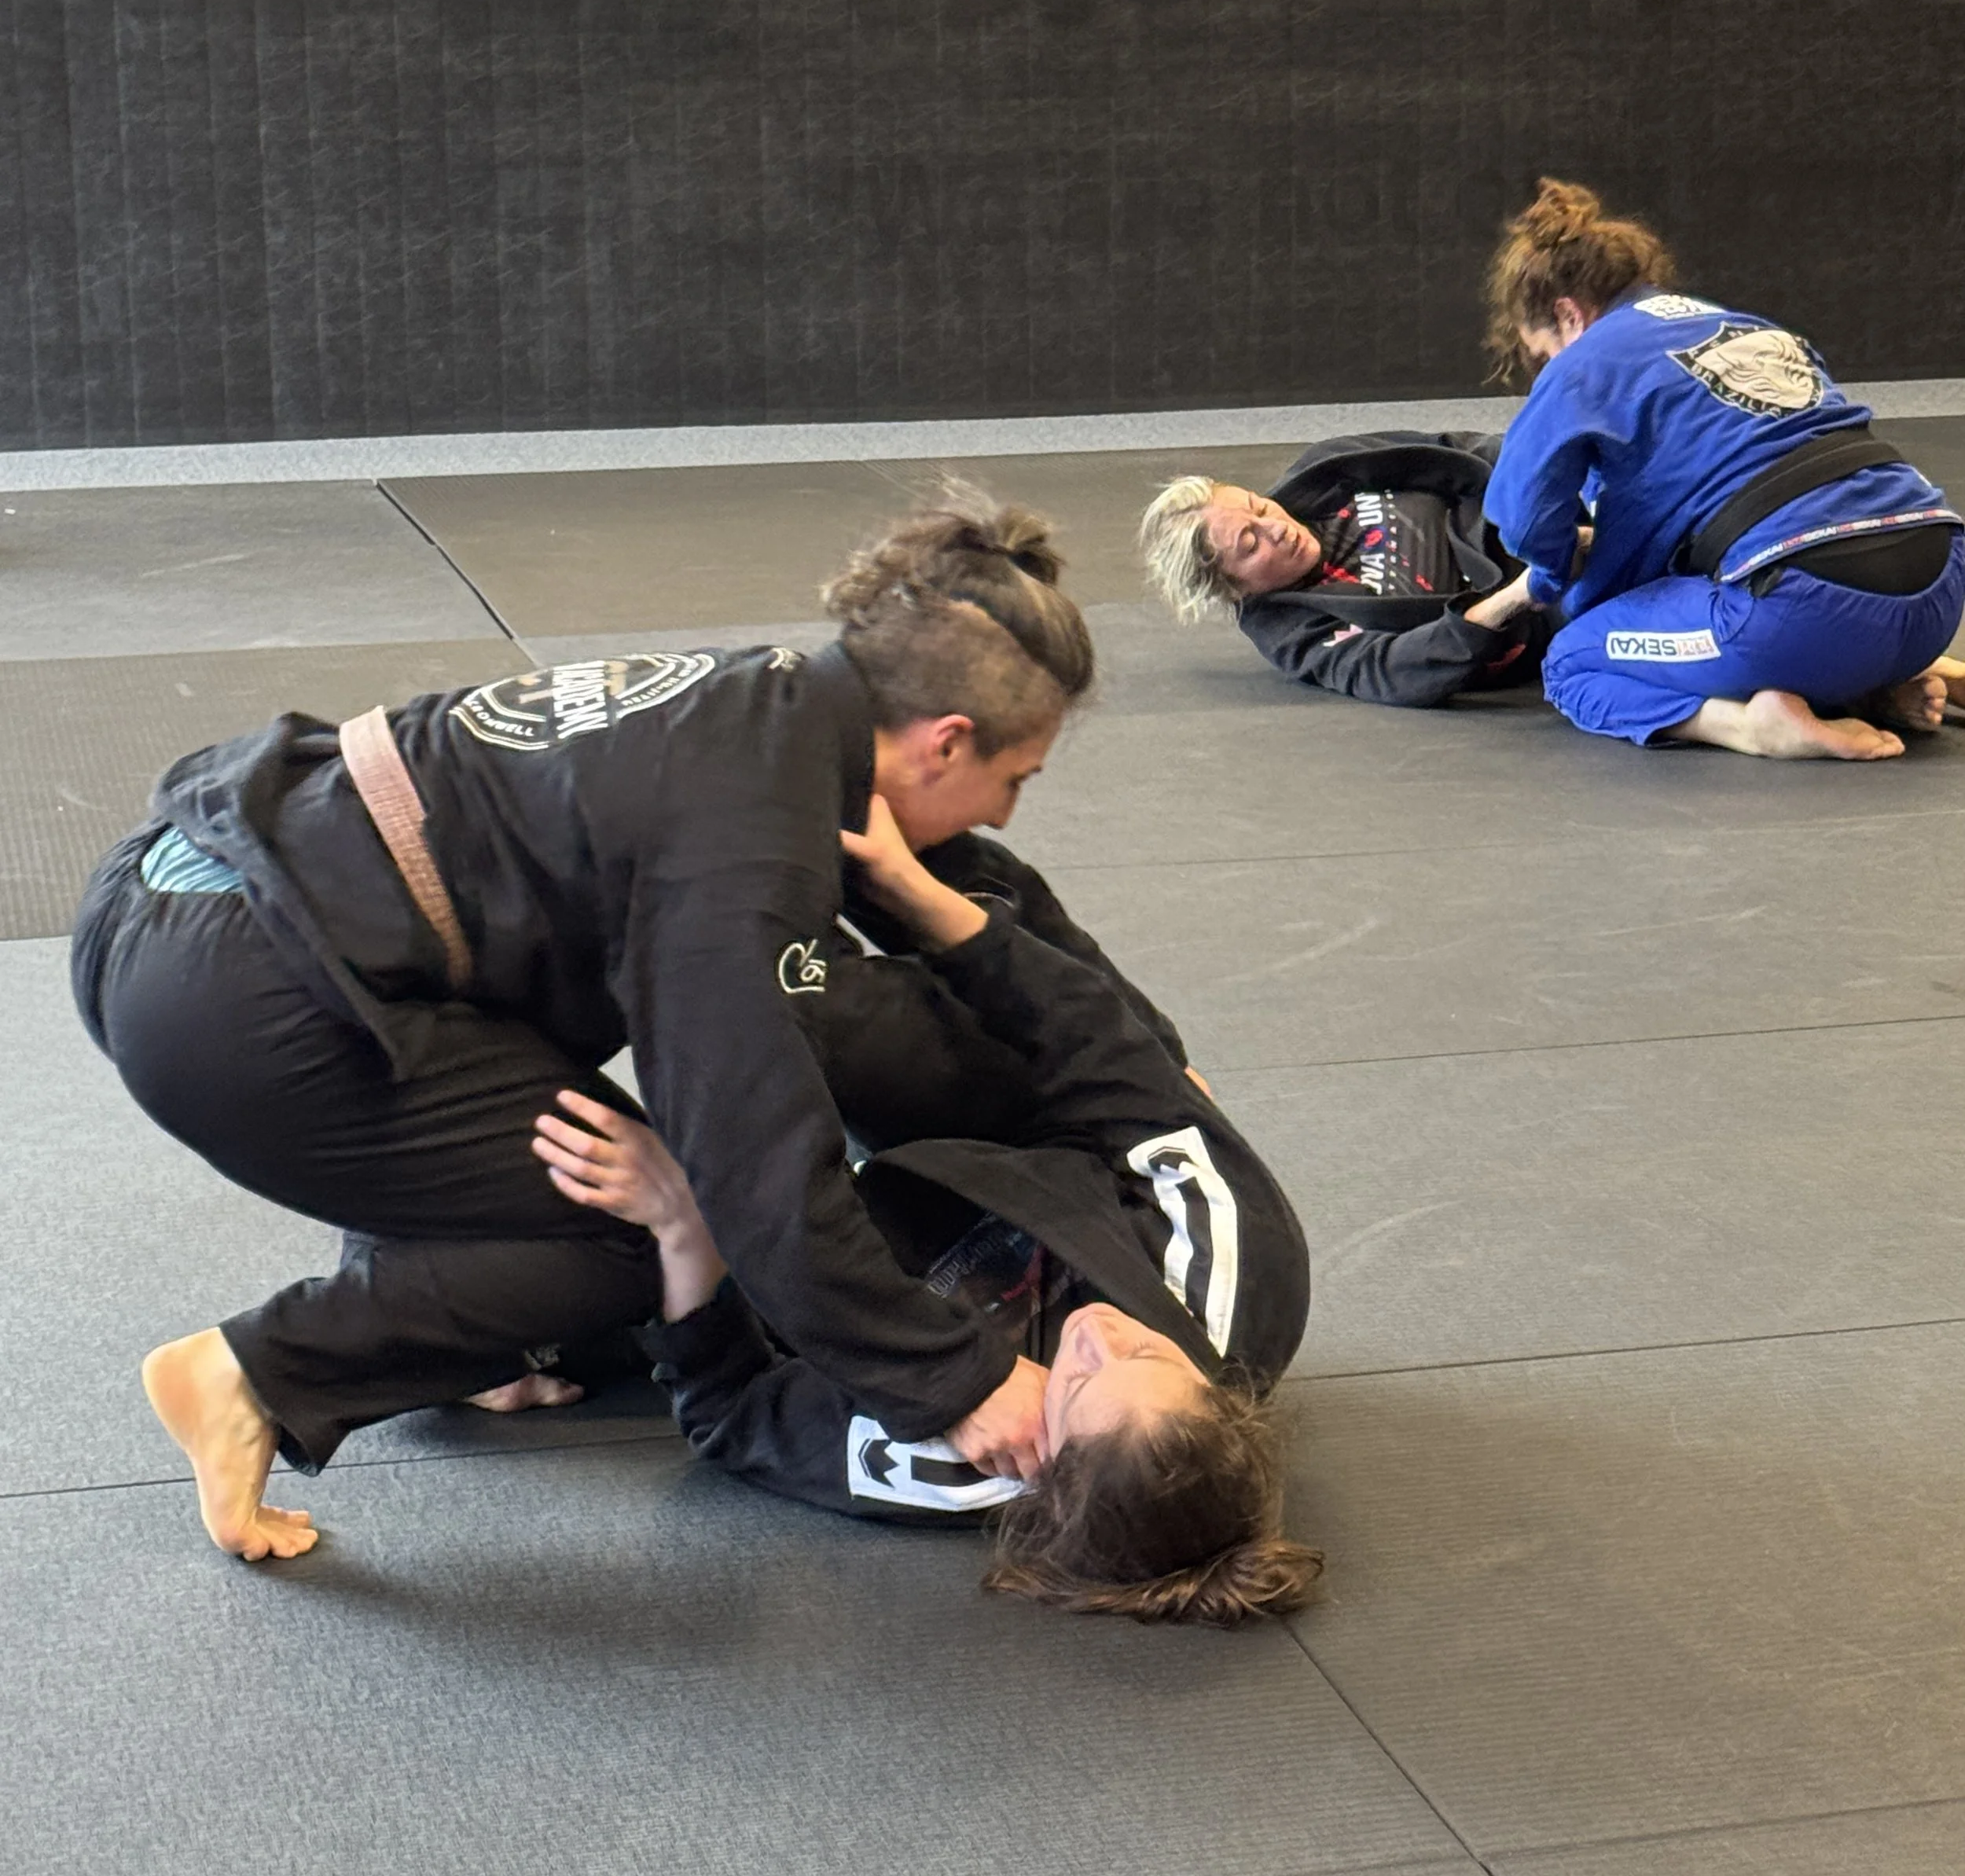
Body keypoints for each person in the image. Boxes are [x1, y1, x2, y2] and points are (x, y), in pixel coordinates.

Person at [74, 499, 1123, 1562]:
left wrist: (1147, 1059)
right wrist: (951, 1376)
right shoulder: (747, 851)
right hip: (241, 1006)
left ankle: (443, 1330)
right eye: (1014, 780)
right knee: (647, 1220)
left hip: (195, 884)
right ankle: (254, 1370)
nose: (1004, 815)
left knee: (597, 1141)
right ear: (946, 741)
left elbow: (983, 889)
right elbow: (757, 1161)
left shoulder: (773, 701)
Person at [526, 795, 1321, 1627]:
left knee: (521, 1287)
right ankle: (835, 854)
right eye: (1148, 1358)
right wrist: (926, 901)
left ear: (1041, 1470)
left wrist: (679, 1226)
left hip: (804, 1260)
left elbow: (729, 1412)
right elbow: (1109, 1059)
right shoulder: (1239, 1266)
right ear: (1221, 1392)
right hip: (1002, 1137)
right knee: (820, 957)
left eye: (1080, 1383)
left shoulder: (952, 1469)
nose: (1098, 1337)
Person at [1479, 178, 1965, 758]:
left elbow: (1530, 523)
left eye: (1541, 352)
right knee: (1747, 577)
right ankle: (1880, 682)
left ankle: (1750, 727)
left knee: (1574, 661)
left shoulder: (1583, 361)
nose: (1546, 368)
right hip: (1941, 580)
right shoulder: (1753, 327)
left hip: (1806, 612)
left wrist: (1546, 580)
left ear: (1567, 314)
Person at [1138, 439, 1554, 704]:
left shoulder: (1327, 469)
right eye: (1250, 545)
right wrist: (1520, 595)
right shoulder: (1293, 633)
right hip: (1544, 612)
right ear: (1233, 589)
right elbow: (1390, 669)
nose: (1277, 529)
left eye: (1259, 507)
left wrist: (1549, 483)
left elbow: (1456, 450)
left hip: (1539, 511)